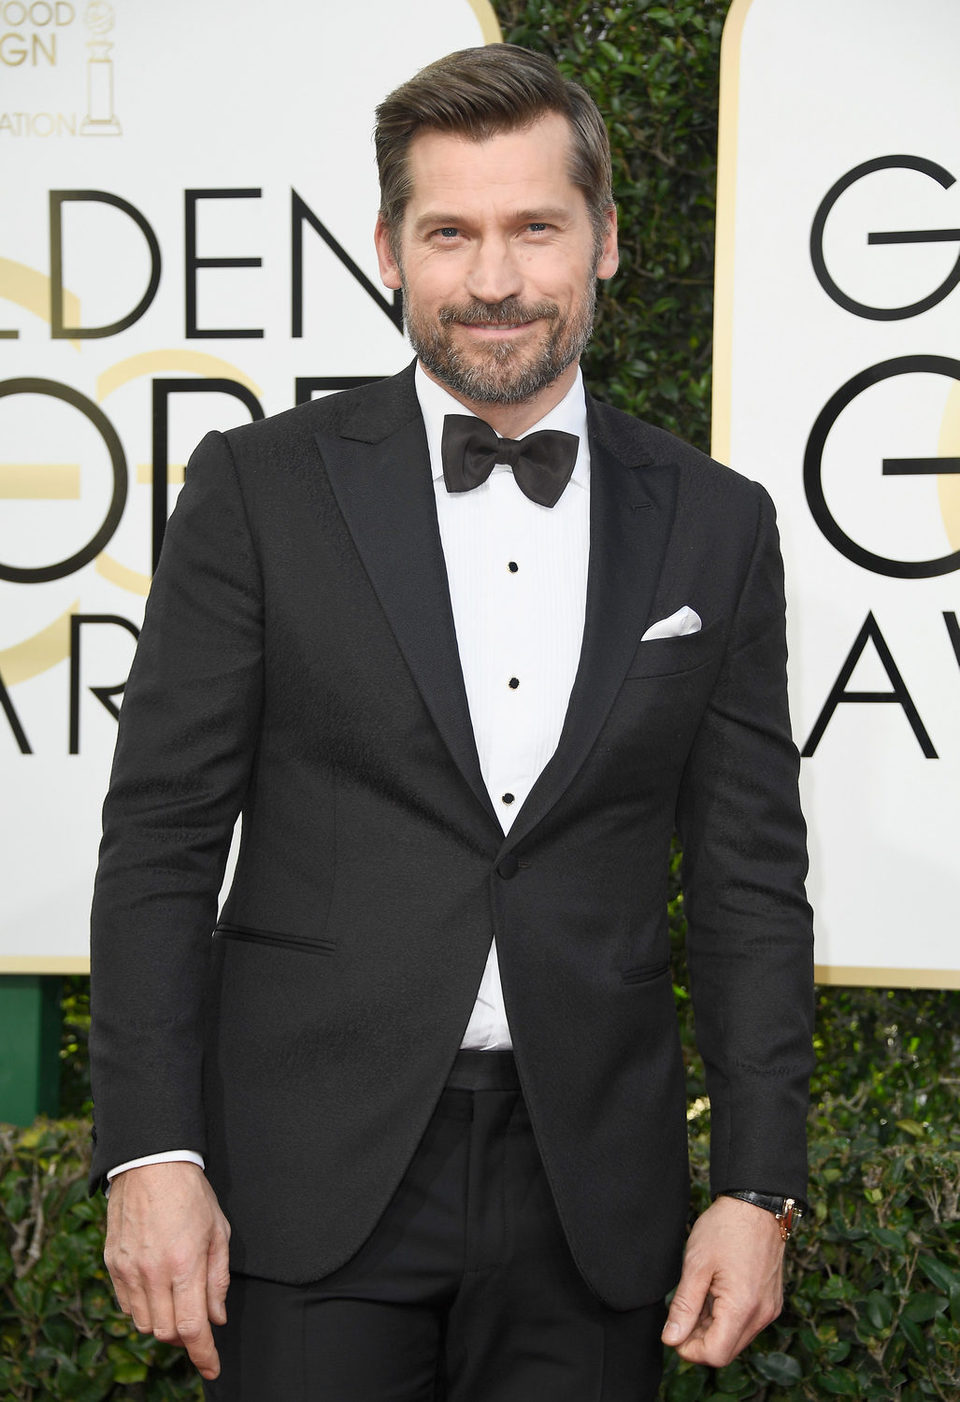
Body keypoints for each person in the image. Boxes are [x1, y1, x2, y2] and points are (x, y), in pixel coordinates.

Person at [89, 43, 815, 1402]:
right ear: (388, 248)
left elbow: (750, 883)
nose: (493, 280)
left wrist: (758, 1183)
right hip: (311, 1186)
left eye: (535, 227)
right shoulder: (259, 491)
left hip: (595, 1192)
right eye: (451, 233)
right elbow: (161, 846)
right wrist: (152, 1153)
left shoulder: (719, 525)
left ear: (605, 239)